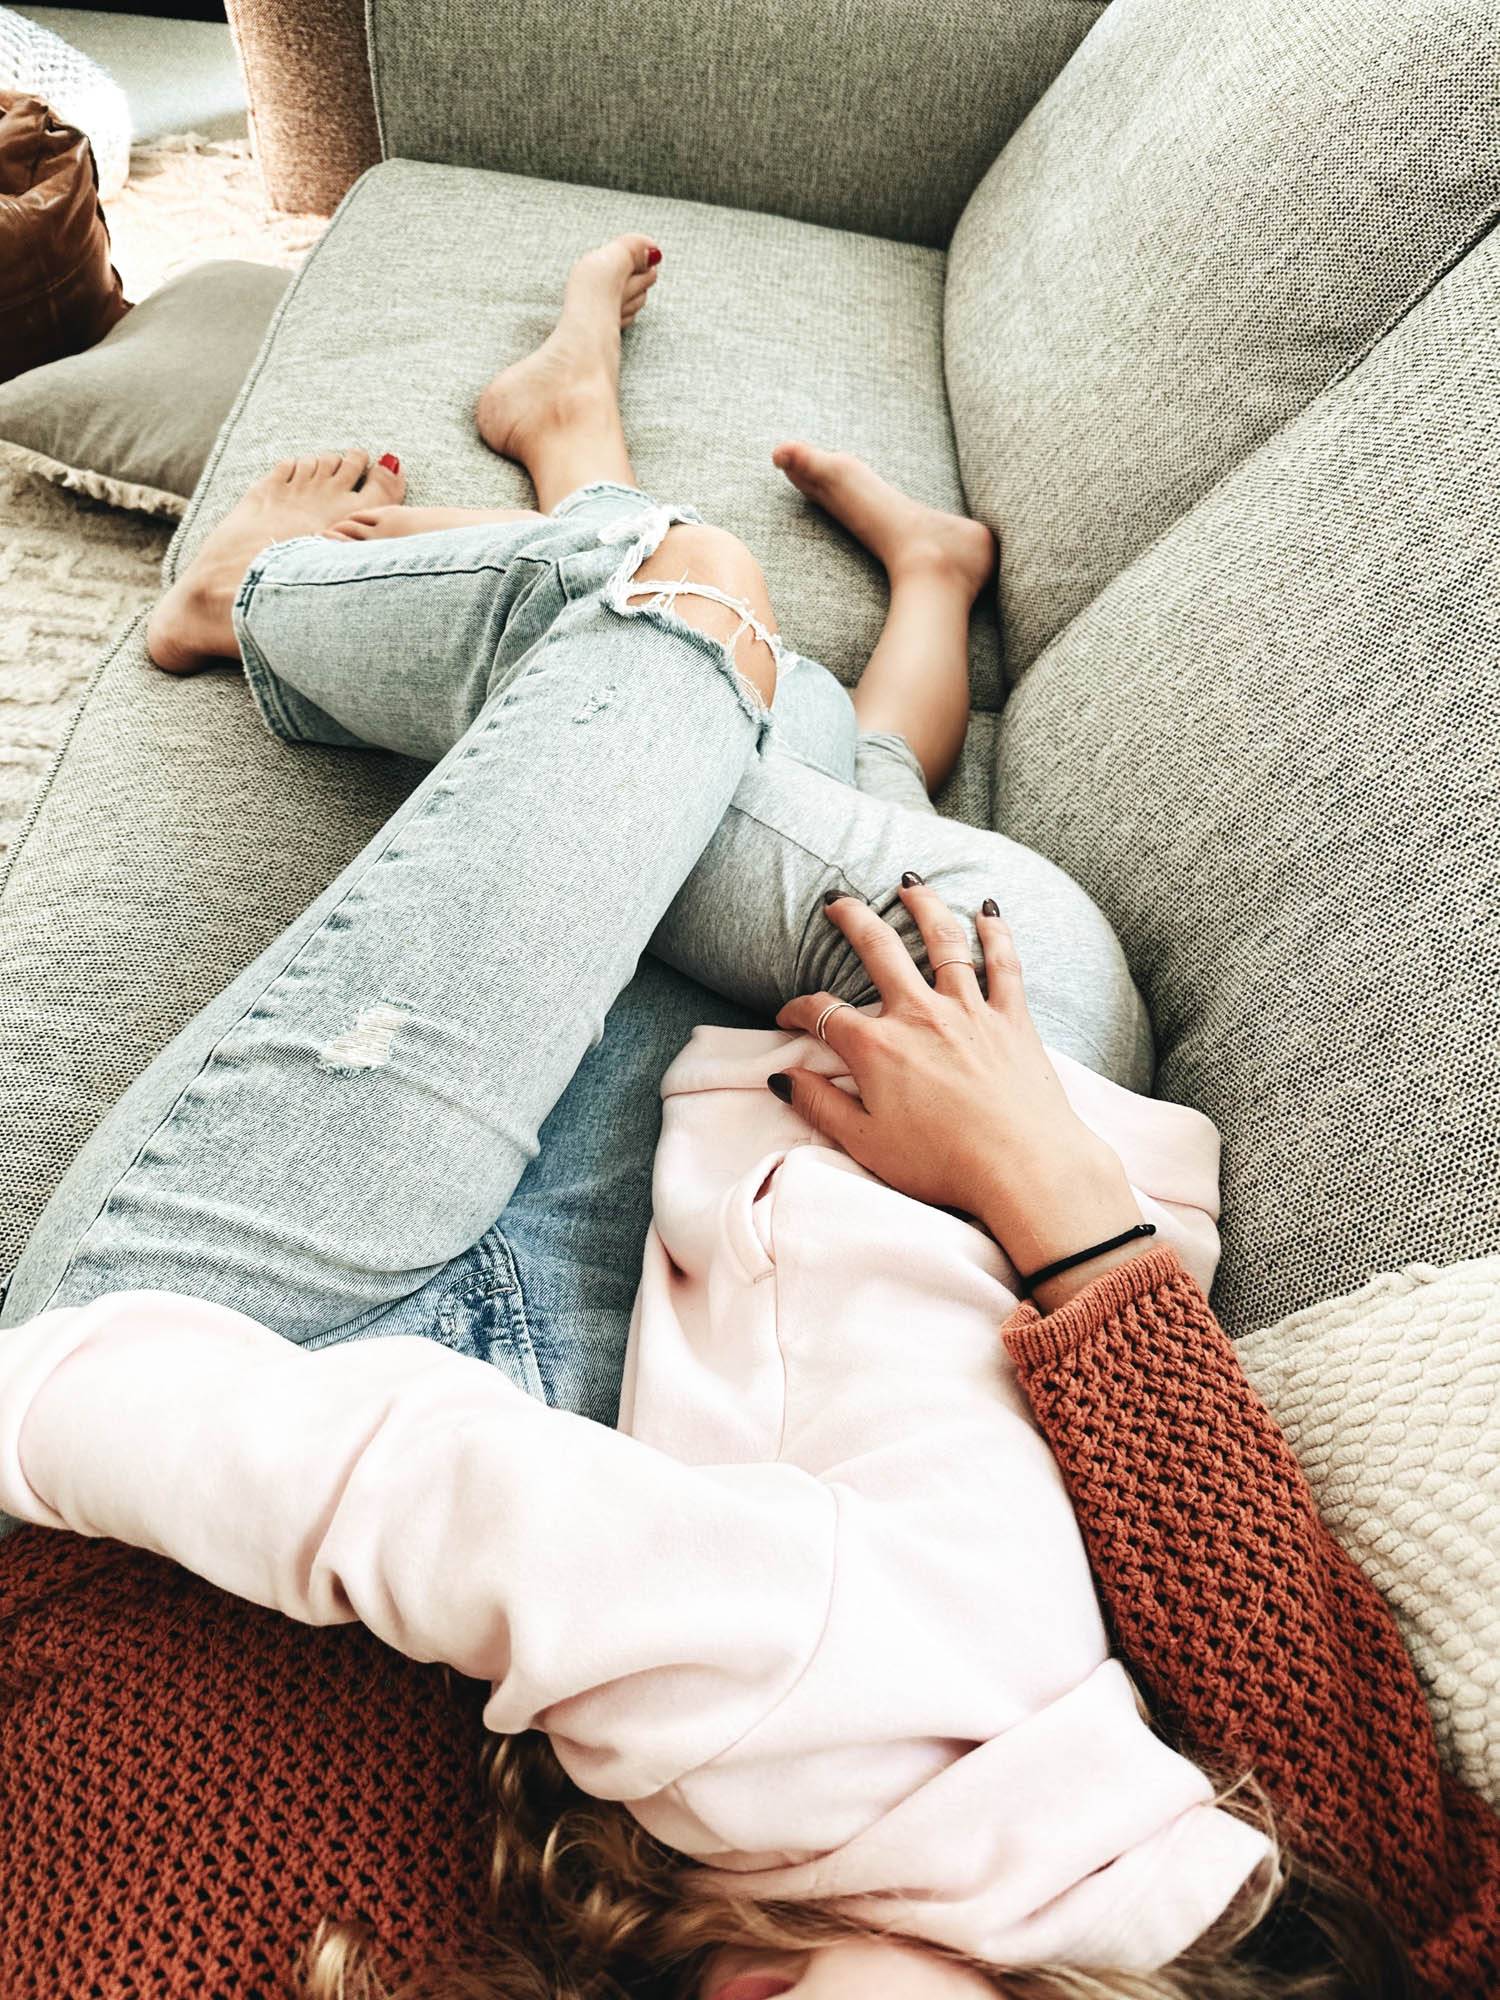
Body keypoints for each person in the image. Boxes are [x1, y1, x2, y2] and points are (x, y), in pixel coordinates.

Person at [0, 235, 1492, 2000]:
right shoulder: (1183, 1892)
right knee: (729, 664)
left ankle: (632, 489)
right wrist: (1054, 1196)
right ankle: (286, 585)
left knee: (733, 679)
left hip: (296, 1423)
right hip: (661, 1321)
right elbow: (1317, 1743)